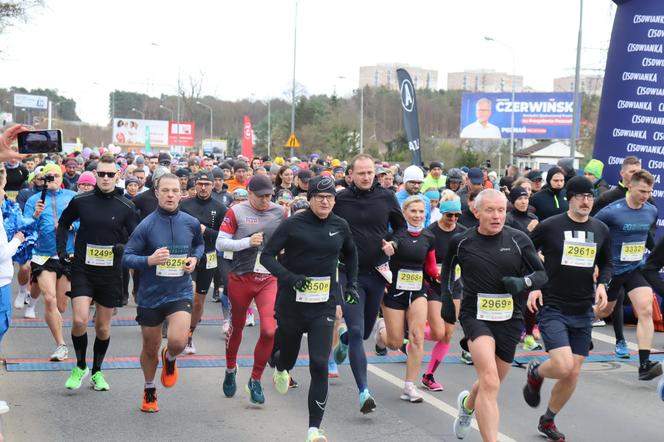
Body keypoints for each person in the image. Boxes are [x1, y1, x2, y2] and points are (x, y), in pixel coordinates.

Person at [442, 189, 547, 441]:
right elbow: (447, 271)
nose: (497, 216)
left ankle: (468, 404)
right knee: (489, 381)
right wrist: (447, 302)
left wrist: (523, 283)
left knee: (493, 381)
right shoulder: (462, 241)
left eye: (501, 210)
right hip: (475, 316)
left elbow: (541, 275)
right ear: (476, 212)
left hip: (510, 319)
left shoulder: (518, 239)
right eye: (490, 210)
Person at [260, 175, 359, 442]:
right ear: (311, 198)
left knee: (318, 363)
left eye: (329, 197)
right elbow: (266, 256)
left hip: (323, 305)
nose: (325, 201)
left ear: (334, 200)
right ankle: (280, 367)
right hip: (291, 304)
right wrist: (291, 278)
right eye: (320, 197)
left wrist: (351, 286)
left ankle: (314, 429)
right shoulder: (293, 224)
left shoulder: (341, 225)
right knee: (288, 357)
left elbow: (351, 254)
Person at [524, 175, 612, 441]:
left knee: (573, 372)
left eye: (589, 197)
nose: (586, 201)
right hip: (553, 305)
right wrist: (535, 284)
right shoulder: (551, 226)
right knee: (562, 366)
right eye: (580, 196)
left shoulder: (600, 229)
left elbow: (608, 263)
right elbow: (525, 251)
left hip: (583, 307)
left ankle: (547, 420)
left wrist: (603, 284)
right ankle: (536, 371)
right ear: (569, 198)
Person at [122, 173, 204, 412]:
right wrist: (149, 260)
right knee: (150, 347)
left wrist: (194, 259)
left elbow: (199, 244)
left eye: (174, 191)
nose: (170, 195)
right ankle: (149, 389)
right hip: (150, 295)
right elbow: (127, 257)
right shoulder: (146, 225)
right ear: (156, 193)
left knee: (178, 341)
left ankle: (170, 357)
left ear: (181, 194)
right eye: (165, 190)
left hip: (179, 291)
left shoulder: (189, 222)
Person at [56, 155, 138, 392]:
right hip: (82, 268)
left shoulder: (126, 206)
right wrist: (62, 251)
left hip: (110, 273)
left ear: (117, 176)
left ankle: (97, 371)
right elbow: (63, 224)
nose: (105, 178)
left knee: (102, 328)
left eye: (110, 174)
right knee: (80, 319)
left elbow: (136, 236)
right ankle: (80, 366)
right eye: (101, 174)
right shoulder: (81, 201)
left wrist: (124, 248)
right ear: (95, 175)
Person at [332, 154, 407, 414]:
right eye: (361, 173)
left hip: (376, 272)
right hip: (348, 274)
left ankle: (343, 340)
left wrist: (394, 243)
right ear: (350, 174)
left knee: (362, 333)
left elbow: (401, 228)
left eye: (370, 173)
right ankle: (364, 391)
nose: (366, 177)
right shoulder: (340, 200)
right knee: (356, 330)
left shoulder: (386, 197)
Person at [216, 174, 284, 405]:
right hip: (242, 277)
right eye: (261, 196)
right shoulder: (236, 211)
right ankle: (230, 368)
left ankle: (255, 379)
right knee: (237, 327)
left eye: (269, 196)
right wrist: (247, 242)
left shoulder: (279, 212)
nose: (266, 200)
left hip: (268, 278)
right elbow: (220, 243)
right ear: (250, 193)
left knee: (268, 331)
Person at [594, 170, 662, 380]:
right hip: (612, 269)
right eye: (642, 190)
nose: (645, 195)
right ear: (629, 186)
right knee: (604, 312)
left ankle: (644, 364)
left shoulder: (651, 211)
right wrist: (596, 264)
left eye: (649, 191)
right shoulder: (611, 212)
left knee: (645, 310)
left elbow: (648, 237)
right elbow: (592, 233)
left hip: (634, 268)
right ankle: (581, 323)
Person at [375, 196, 437, 402]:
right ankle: (381, 331)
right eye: (413, 211)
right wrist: (388, 251)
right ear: (404, 212)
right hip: (394, 292)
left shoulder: (429, 236)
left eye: (421, 212)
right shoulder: (394, 234)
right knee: (394, 343)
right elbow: (388, 250)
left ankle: (409, 386)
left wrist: (439, 276)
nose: (418, 215)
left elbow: (430, 266)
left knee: (417, 338)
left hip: (418, 292)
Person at [23, 163, 77, 359]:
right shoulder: (34, 200)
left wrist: (71, 225)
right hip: (42, 254)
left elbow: (83, 220)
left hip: (66, 254)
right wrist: (36, 215)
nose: (52, 178)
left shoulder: (72, 197)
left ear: (62, 178)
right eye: (48, 176)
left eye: (56, 175)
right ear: (42, 179)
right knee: (50, 299)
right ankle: (61, 345)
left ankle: (33, 287)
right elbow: (25, 225)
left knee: (62, 306)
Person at [418, 190, 466, 389]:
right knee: (438, 332)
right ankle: (411, 330)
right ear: (442, 213)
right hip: (434, 286)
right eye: (449, 215)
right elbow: (420, 259)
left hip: (455, 286)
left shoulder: (463, 232)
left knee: (447, 334)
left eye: (457, 215)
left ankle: (429, 375)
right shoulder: (430, 232)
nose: (453, 219)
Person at [179, 172, 227, 354]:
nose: (203, 187)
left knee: (199, 302)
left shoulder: (220, 208)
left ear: (213, 185)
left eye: (207, 184)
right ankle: (180, 328)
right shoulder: (184, 205)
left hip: (208, 256)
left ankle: (189, 334)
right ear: (195, 185)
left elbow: (223, 238)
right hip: (188, 255)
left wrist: (205, 230)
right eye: (200, 184)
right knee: (189, 294)